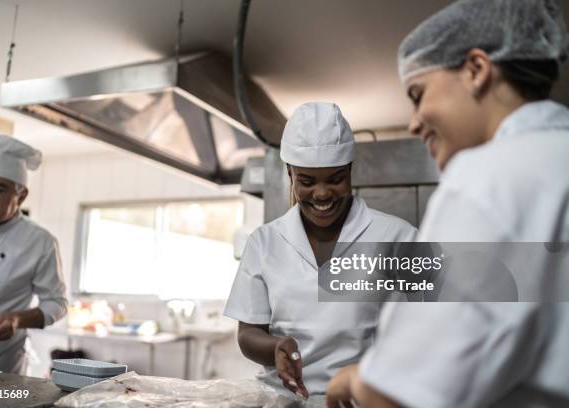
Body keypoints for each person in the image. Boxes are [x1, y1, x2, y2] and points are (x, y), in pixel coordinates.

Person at [326, 0, 569, 407]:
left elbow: (401, 396)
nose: (413, 121)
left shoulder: (487, 177)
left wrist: (356, 381)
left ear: (476, 70)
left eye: (418, 95)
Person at [224, 102, 417, 399]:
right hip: (283, 401)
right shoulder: (264, 242)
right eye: (307, 181)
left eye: (336, 179)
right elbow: (248, 333)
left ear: (351, 170)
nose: (322, 193)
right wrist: (274, 347)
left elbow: (433, 329)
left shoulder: (398, 238)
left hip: (364, 400)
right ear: (290, 174)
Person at [0, 134, 68, 374]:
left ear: (21, 195)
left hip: (0, 367)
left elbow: (57, 303)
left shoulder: (40, 242)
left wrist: (17, 320)